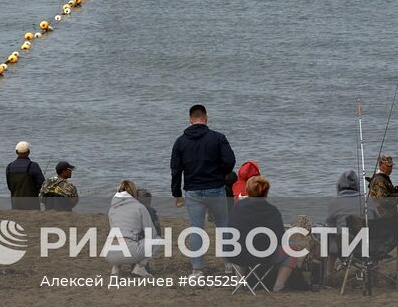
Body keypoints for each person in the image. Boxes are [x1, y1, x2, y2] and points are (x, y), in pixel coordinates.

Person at [170, 104, 236, 273]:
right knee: (223, 226)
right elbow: (230, 161)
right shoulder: (218, 137)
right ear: (206, 119)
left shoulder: (180, 141)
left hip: (193, 191)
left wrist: (176, 193)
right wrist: (224, 174)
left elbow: (176, 170)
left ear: (190, 120)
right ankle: (229, 264)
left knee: (196, 229)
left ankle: (197, 269)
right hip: (216, 188)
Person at [227, 176, 302, 291]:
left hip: (235, 255)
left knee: (240, 242)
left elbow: (230, 229)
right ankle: (279, 285)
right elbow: (281, 238)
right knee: (294, 249)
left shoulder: (237, 207)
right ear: (266, 193)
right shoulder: (271, 211)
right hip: (263, 256)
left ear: (247, 191)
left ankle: (239, 282)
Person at [105, 180, 157, 277]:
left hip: (109, 253)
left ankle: (115, 269)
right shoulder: (139, 207)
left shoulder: (112, 209)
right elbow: (152, 233)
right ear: (134, 192)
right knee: (157, 239)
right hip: (129, 252)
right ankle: (140, 268)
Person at [6, 141, 46, 209]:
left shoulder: (9, 167)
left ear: (16, 152)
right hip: (31, 202)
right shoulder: (33, 165)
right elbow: (42, 184)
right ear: (28, 152)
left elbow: (10, 186)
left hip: (16, 202)